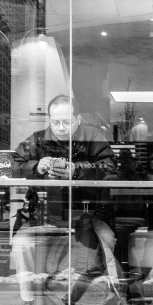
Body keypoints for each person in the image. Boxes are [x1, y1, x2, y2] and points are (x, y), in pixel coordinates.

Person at [14, 94, 118, 227]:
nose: (61, 128)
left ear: (78, 119)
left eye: (67, 122)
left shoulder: (93, 136)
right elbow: (12, 165)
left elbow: (111, 170)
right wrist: (36, 167)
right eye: (55, 122)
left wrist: (76, 171)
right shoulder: (38, 139)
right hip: (46, 215)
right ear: (49, 120)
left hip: (91, 215)